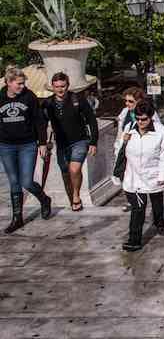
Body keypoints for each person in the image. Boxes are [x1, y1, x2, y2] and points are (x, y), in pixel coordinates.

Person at [0, 66, 51, 233]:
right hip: (6, 145)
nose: (22, 86)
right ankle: (17, 218)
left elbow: (39, 121)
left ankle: (44, 199)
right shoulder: (0, 97)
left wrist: (42, 143)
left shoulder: (29, 97)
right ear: (8, 82)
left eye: (23, 83)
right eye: (19, 84)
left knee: (26, 181)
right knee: (14, 181)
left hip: (27, 144)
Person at [116, 99, 164, 251]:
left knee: (156, 201)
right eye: (137, 118)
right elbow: (120, 151)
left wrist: (163, 176)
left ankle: (159, 222)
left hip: (153, 175)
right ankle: (135, 240)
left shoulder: (160, 132)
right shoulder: (130, 129)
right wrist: (123, 141)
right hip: (132, 177)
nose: (140, 122)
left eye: (144, 119)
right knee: (138, 207)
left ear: (151, 117)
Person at [42, 72, 98, 211]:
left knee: (75, 169)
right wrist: (42, 143)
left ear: (68, 85)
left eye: (63, 86)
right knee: (66, 171)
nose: (60, 89)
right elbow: (41, 125)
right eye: (57, 87)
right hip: (61, 143)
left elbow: (91, 120)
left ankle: (76, 196)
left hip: (80, 141)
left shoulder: (77, 99)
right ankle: (71, 195)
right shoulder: (47, 103)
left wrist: (93, 142)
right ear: (52, 87)